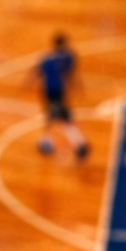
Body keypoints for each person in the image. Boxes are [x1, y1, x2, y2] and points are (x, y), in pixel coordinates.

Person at [36, 32, 89, 160]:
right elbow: (71, 74)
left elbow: (38, 74)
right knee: (58, 116)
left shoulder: (47, 59)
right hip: (59, 91)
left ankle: (79, 143)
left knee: (57, 116)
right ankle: (77, 143)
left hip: (50, 91)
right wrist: (77, 87)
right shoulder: (68, 57)